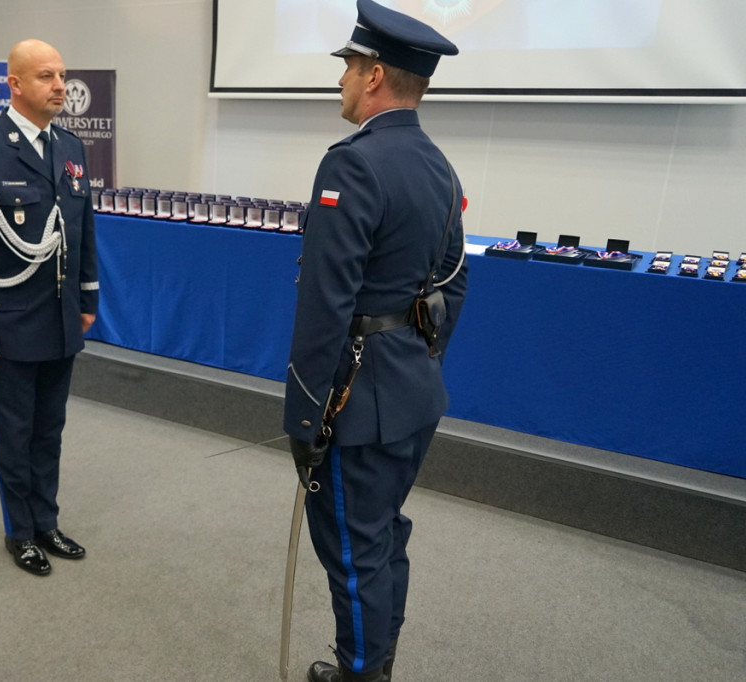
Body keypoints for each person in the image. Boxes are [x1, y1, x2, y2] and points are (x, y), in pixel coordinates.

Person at [283, 1, 468, 680]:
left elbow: (325, 303)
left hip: (354, 405)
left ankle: (362, 674)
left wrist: (305, 416)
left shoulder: (352, 165)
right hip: (413, 392)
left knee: (355, 553)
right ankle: (376, 665)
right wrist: (418, 360)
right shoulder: (439, 167)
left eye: (350, 66)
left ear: (375, 76)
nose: (342, 80)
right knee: (385, 537)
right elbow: (454, 282)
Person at [0, 39, 99, 577]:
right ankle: (21, 531)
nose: (60, 86)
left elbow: (83, 231)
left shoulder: (71, 148)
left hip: (59, 318)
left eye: (62, 75)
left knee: (49, 429)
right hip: (8, 322)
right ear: (15, 84)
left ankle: (47, 520)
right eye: (46, 76)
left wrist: (87, 297)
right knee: (14, 431)